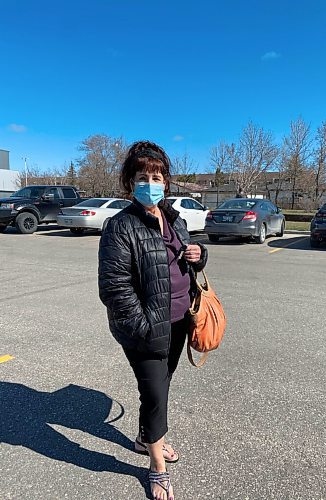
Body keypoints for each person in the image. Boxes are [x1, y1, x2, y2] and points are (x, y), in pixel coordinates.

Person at [98, 141, 208, 500]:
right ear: (131, 183)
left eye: (157, 176)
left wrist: (199, 255)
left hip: (179, 321)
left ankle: (147, 437)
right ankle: (156, 467)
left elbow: (186, 261)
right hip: (145, 330)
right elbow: (114, 288)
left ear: (166, 183)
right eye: (142, 176)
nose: (150, 182)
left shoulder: (173, 218)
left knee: (161, 387)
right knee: (155, 392)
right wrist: (144, 329)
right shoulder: (121, 225)